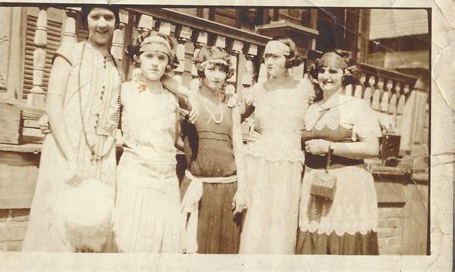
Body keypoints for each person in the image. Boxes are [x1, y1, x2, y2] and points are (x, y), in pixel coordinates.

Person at [22, 6, 123, 252]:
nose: (102, 24)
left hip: (101, 155)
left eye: (108, 18)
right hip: (66, 149)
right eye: (95, 17)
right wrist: (70, 157)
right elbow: (53, 105)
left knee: (95, 226)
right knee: (59, 228)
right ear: (85, 20)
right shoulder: (70, 53)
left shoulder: (116, 66)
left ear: (116, 23)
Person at [296, 51, 381, 255]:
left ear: (344, 75)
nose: (326, 76)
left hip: (347, 185)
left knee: (342, 244)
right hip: (313, 183)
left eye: (333, 71)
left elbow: (372, 148)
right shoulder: (310, 108)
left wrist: (330, 147)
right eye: (322, 71)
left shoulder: (356, 106)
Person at [239, 37, 314, 254]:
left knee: (282, 222)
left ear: (289, 59)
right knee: (256, 222)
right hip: (259, 162)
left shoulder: (305, 88)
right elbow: (233, 118)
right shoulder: (257, 90)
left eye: (275, 56)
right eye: (266, 56)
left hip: (288, 164)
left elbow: (330, 106)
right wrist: (248, 136)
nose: (269, 61)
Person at [113, 31, 184, 253]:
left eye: (161, 58)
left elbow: (178, 140)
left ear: (168, 62)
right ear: (138, 58)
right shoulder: (125, 90)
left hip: (166, 179)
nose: (155, 63)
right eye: (149, 56)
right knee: (133, 242)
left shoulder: (172, 99)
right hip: (136, 176)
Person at [179, 46, 246, 254]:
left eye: (222, 69)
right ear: (200, 69)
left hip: (227, 189)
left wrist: (243, 189)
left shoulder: (231, 105)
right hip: (198, 187)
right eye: (211, 68)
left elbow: (238, 147)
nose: (217, 75)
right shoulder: (189, 100)